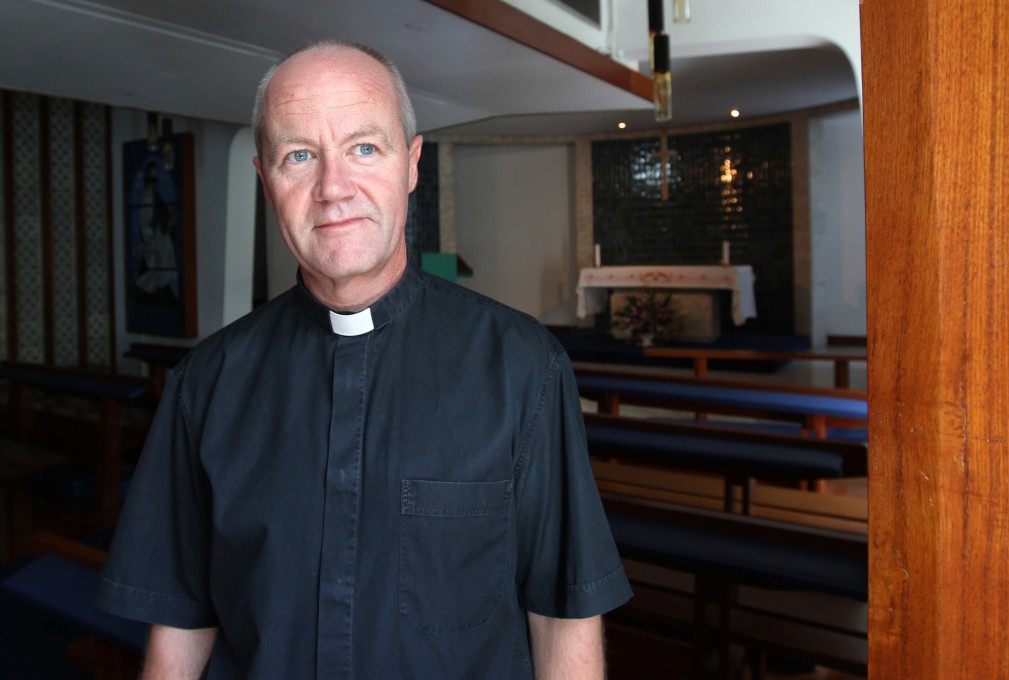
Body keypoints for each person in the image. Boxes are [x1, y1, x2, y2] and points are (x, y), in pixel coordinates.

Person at [95, 40, 632, 679]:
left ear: (411, 163)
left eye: (364, 148)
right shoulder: (205, 385)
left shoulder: (520, 366)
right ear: (268, 184)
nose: (333, 188)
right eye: (300, 156)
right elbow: (181, 621)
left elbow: (562, 612)